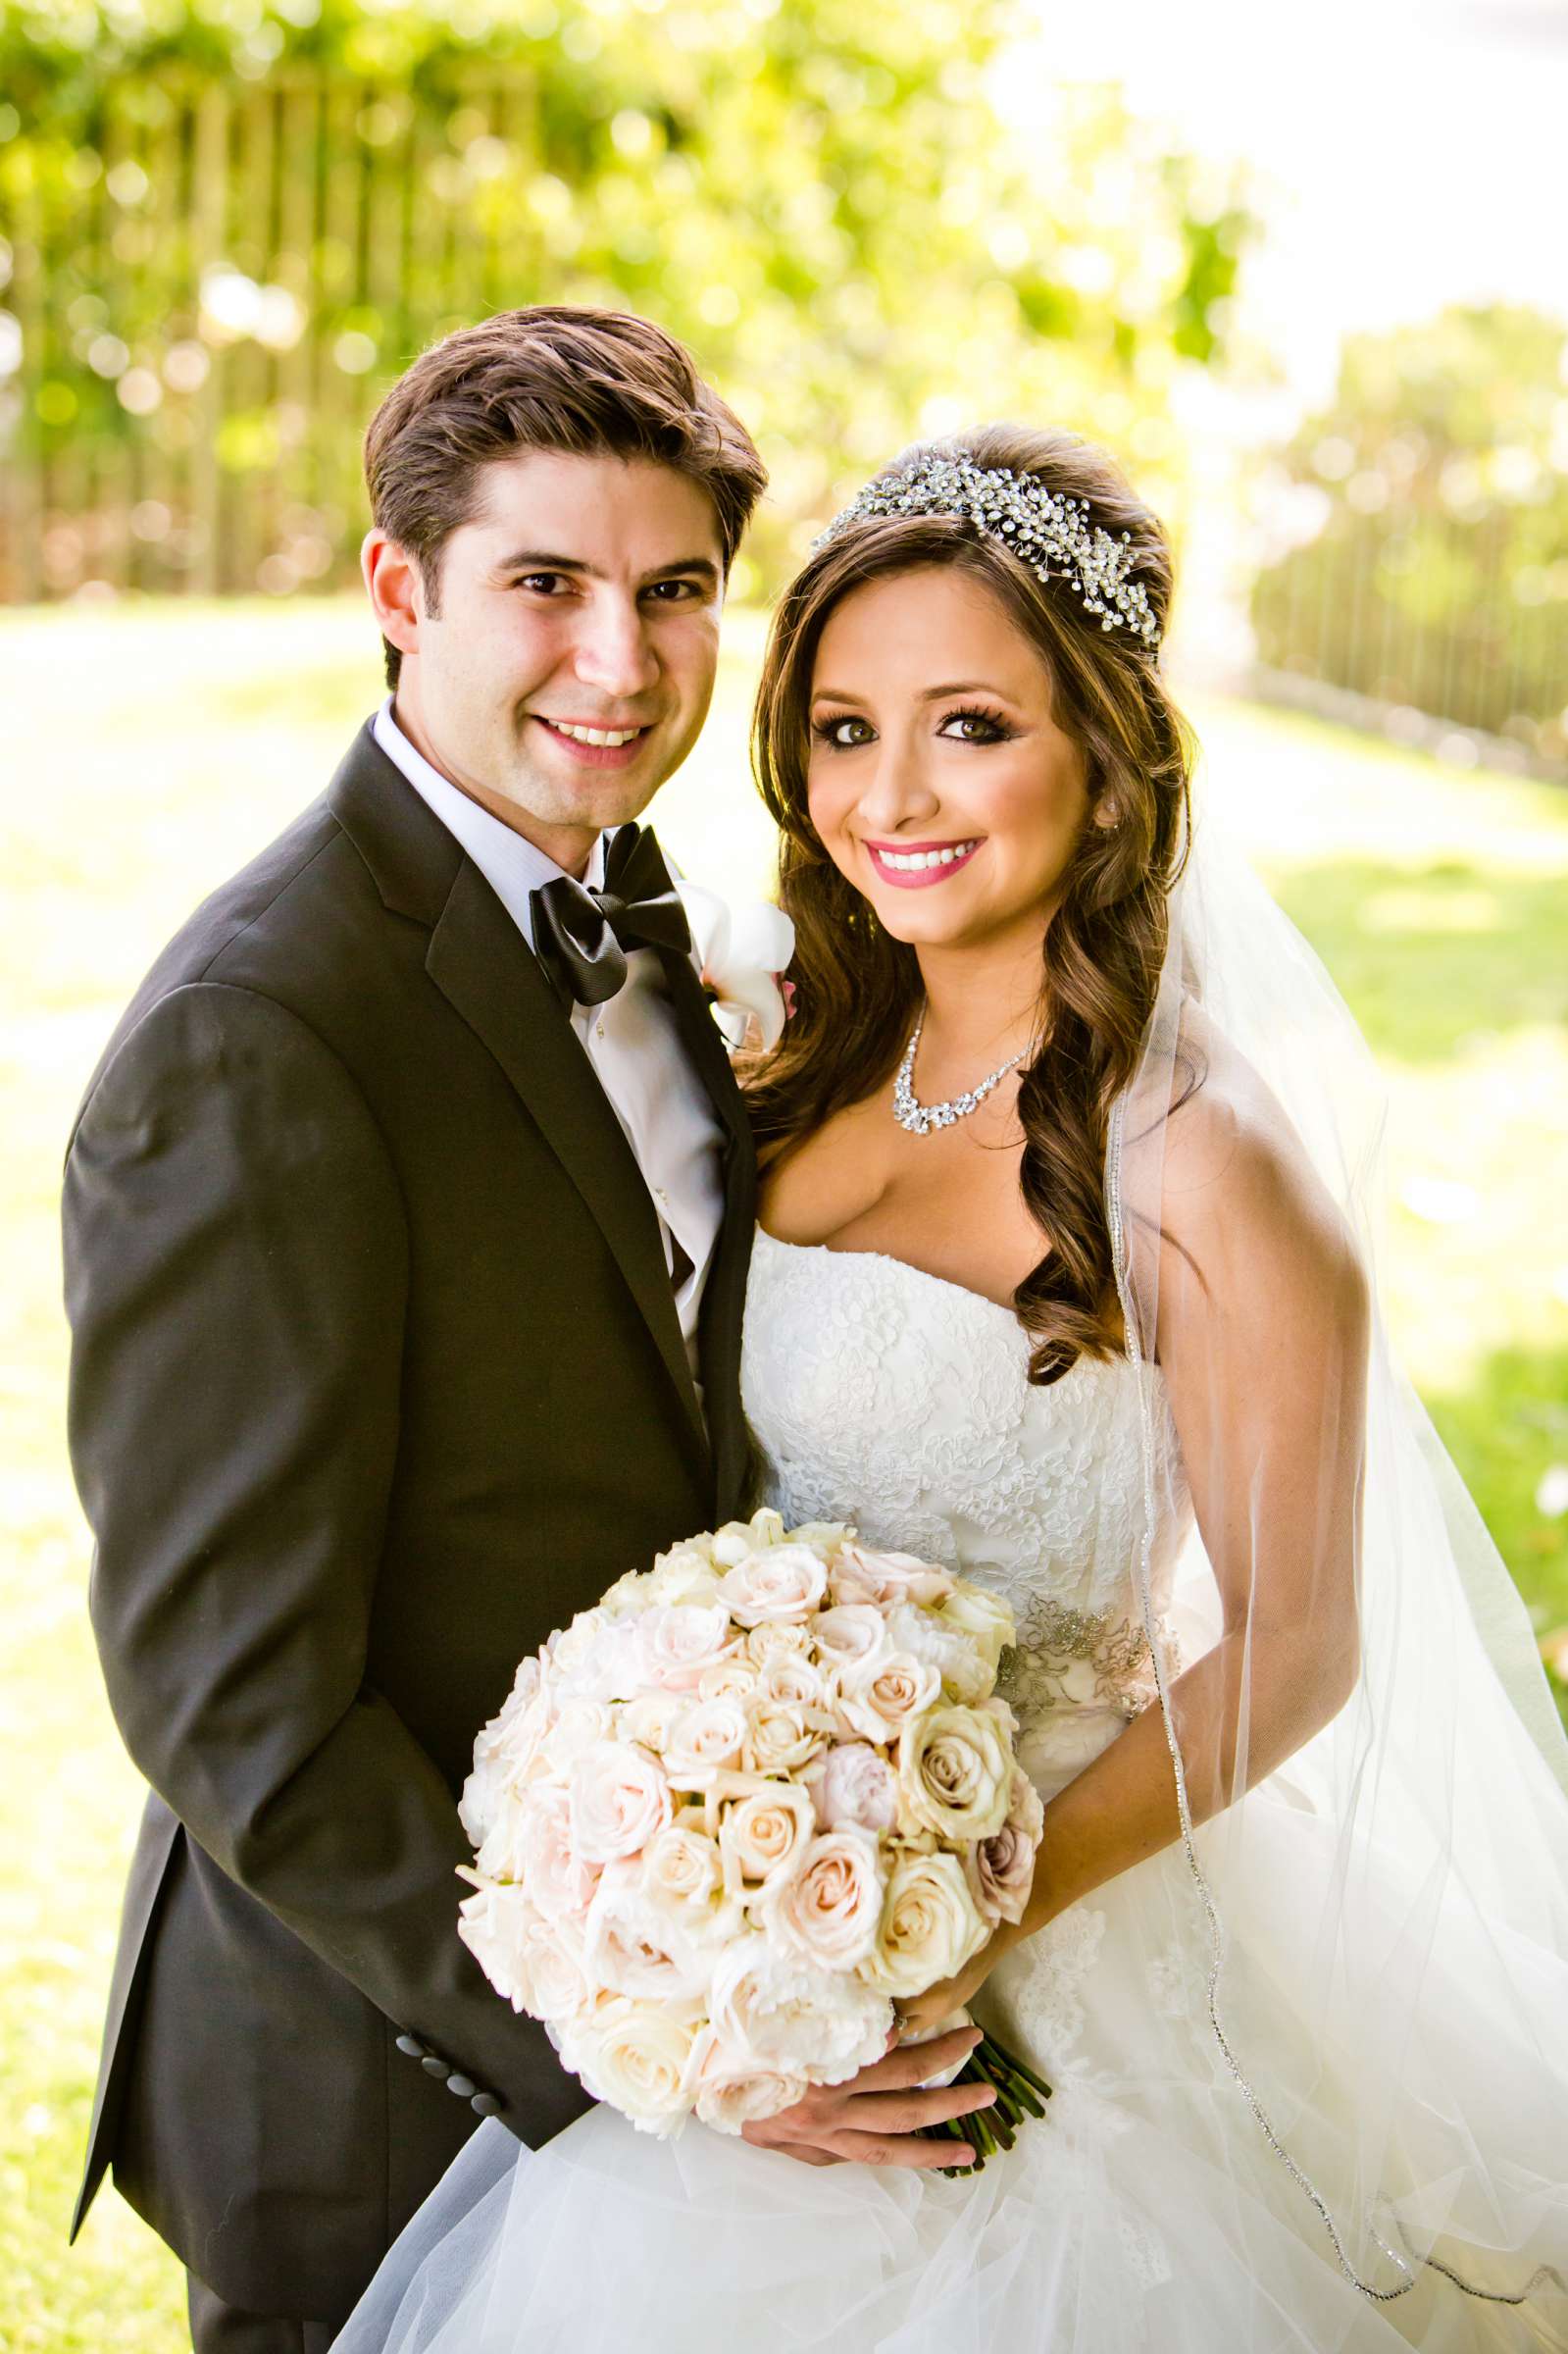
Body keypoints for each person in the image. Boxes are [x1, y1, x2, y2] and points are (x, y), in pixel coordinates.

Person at [334, 426, 1568, 2352]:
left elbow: (1297, 1643)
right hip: (757, 1926)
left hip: (1059, 1916)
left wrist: (951, 1924)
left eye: (966, 727)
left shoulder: (1200, 1149)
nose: (887, 796)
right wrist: (712, 1905)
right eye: (839, 730)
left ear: (1102, 751)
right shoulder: (794, 1051)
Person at [62, 307, 989, 2353]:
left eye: (672, 594)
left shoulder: (641, 922)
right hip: (382, 2074)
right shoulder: (260, 1036)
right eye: (544, 586)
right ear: (397, 591)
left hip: (702, 1992)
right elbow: (236, 1704)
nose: (620, 662)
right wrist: (664, 2044)